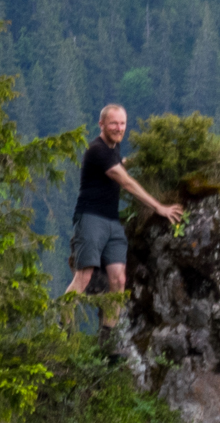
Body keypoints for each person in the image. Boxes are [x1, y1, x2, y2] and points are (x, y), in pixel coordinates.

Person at [64, 104, 185, 296]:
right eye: (113, 124)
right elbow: (126, 182)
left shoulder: (114, 147)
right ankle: (62, 324)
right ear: (101, 124)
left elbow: (119, 163)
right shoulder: (97, 150)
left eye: (122, 124)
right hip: (91, 218)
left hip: (112, 221)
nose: (119, 128)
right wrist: (159, 208)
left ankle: (109, 327)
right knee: (84, 276)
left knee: (119, 279)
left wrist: (147, 157)